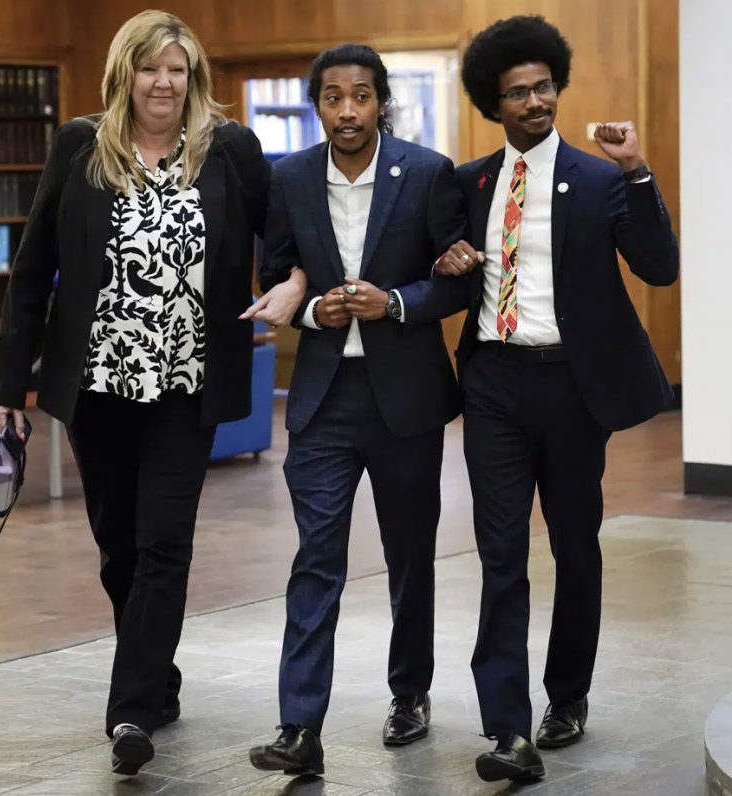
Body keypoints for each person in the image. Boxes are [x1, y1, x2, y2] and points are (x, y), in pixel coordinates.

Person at [0, 9, 304, 778]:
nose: (164, 82)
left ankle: (130, 710)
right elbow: (32, 275)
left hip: (184, 387)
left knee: (165, 541)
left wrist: (295, 279)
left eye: (177, 69)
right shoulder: (79, 145)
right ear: (123, 72)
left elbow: (282, 228)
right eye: (149, 67)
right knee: (119, 547)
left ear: (192, 77)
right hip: (96, 387)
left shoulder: (229, 149)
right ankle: (156, 679)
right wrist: (7, 388)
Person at [434, 15, 679, 784]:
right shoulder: (469, 182)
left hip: (573, 387)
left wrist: (638, 170)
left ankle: (565, 697)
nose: (535, 101)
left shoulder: (602, 177)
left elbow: (660, 267)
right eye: (517, 92)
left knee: (575, 546)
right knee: (501, 555)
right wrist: (450, 260)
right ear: (492, 102)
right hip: (495, 383)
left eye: (543, 87)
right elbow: (443, 274)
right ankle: (506, 729)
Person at [247, 44, 468, 776]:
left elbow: (456, 281)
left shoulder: (428, 172)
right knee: (317, 559)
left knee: (409, 558)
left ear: (381, 103)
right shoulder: (288, 178)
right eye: (334, 97)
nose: (348, 111)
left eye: (362, 96)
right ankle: (299, 727)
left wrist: (396, 301)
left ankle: (410, 693)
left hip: (406, 400)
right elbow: (278, 273)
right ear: (318, 104)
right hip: (322, 402)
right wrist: (314, 309)